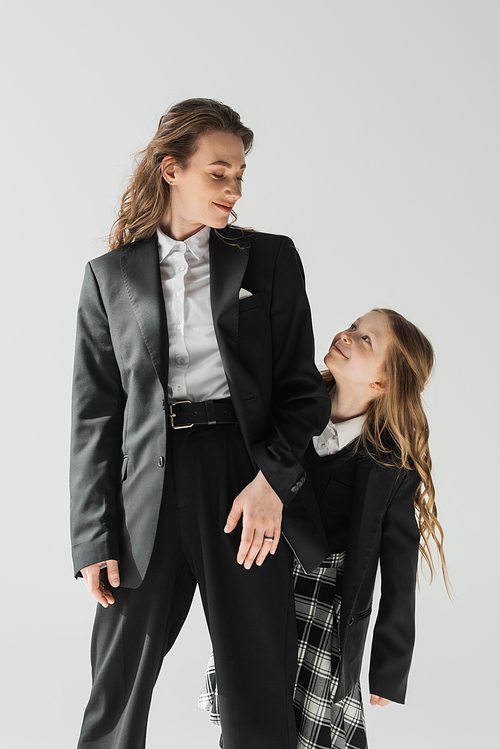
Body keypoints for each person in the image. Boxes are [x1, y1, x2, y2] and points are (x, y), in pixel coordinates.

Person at [70, 98, 331, 749]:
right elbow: (94, 414)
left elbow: (304, 393)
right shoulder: (109, 279)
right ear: (171, 170)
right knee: (117, 684)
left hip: (243, 483)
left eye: (240, 174)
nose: (235, 190)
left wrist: (271, 481)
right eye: (219, 172)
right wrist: (91, 536)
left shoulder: (270, 260)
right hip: (145, 496)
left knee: (257, 685)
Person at [200, 308, 450, 749]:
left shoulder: (391, 467)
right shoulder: (288, 407)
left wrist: (389, 668)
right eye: (354, 326)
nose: (348, 335)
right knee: (247, 718)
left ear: (383, 384)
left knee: (308, 732)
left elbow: (398, 568)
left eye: (367, 340)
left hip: (323, 604)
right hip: (261, 579)